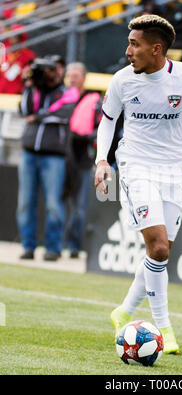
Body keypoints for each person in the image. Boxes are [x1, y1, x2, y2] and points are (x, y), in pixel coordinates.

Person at [94, 14, 182, 354]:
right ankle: (164, 329)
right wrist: (102, 159)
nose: (128, 51)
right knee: (160, 248)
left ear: (157, 48)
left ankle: (122, 312)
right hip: (136, 167)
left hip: (175, 171)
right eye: (129, 43)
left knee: (159, 253)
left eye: (135, 44)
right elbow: (107, 121)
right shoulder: (122, 80)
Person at [17, 56, 79, 261]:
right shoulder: (36, 89)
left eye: (57, 68)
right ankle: (28, 246)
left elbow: (63, 115)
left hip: (54, 156)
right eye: (50, 69)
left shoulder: (67, 92)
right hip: (28, 153)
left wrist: (38, 117)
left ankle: (53, 248)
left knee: (53, 203)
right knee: (25, 202)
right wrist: (29, 85)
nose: (53, 72)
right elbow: (24, 111)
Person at [64, 62, 102, 258]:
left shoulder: (93, 99)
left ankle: (73, 245)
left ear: (84, 77)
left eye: (76, 74)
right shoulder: (61, 98)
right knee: (62, 203)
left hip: (83, 159)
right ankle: (60, 244)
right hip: (62, 157)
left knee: (80, 206)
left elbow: (102, 127)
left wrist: (86, 136)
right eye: (70, 74)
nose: (72, 78)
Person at [0, 24, 35, 94]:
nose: (12, 38)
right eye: (11, 35)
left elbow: (30, 73)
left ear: (20, 37)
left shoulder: (27, 54)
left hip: (17, 92)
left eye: (15, 36)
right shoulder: (3, 50)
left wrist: (21, 70)